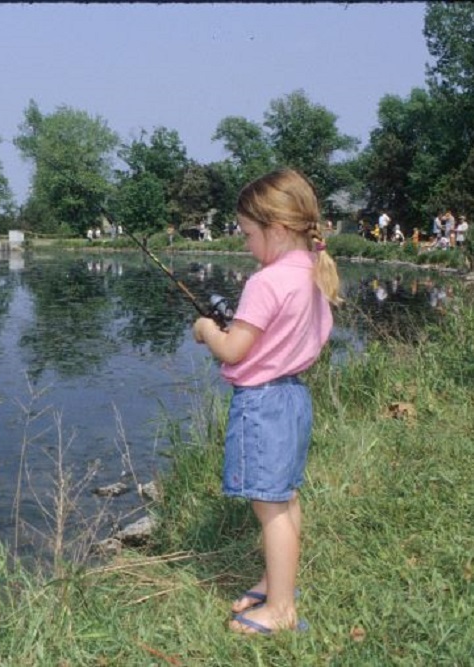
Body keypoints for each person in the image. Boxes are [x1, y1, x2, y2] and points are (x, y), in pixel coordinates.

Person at [191, 169, 340, 636]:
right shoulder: (311, 272)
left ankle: (279, 610)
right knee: (285, 497)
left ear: (276, 229)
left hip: (263, 404)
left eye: (247, 234)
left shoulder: (266, 281)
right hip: (294, 397)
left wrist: (207, 332)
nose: (245, 243)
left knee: (269, 506)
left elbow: (234, 349)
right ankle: (278, 583)